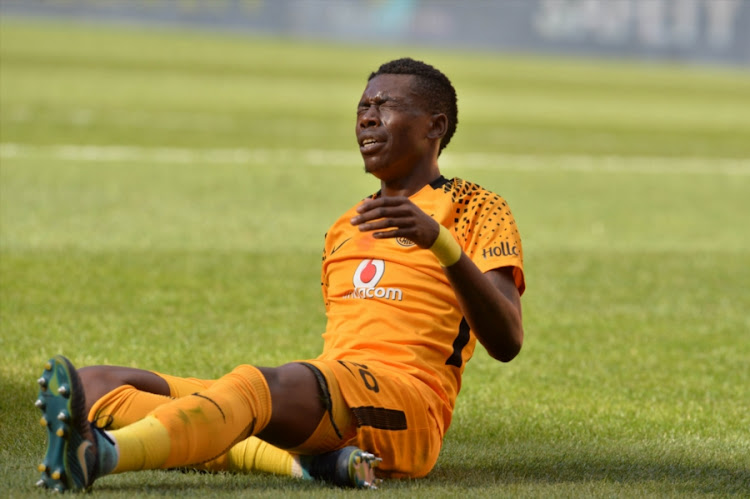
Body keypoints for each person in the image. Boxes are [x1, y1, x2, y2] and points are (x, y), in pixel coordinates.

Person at [34, 57, 525, 492]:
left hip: (407, 407)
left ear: (434, 125)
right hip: (333, 391)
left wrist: (440, 242)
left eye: (385, 105)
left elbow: (507, 341)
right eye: (361, 108)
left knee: (253, 388)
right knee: (91, 384)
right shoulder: (344, 226)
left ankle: (103, 455)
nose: (367, 118)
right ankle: (313, 467)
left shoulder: (476, 207)